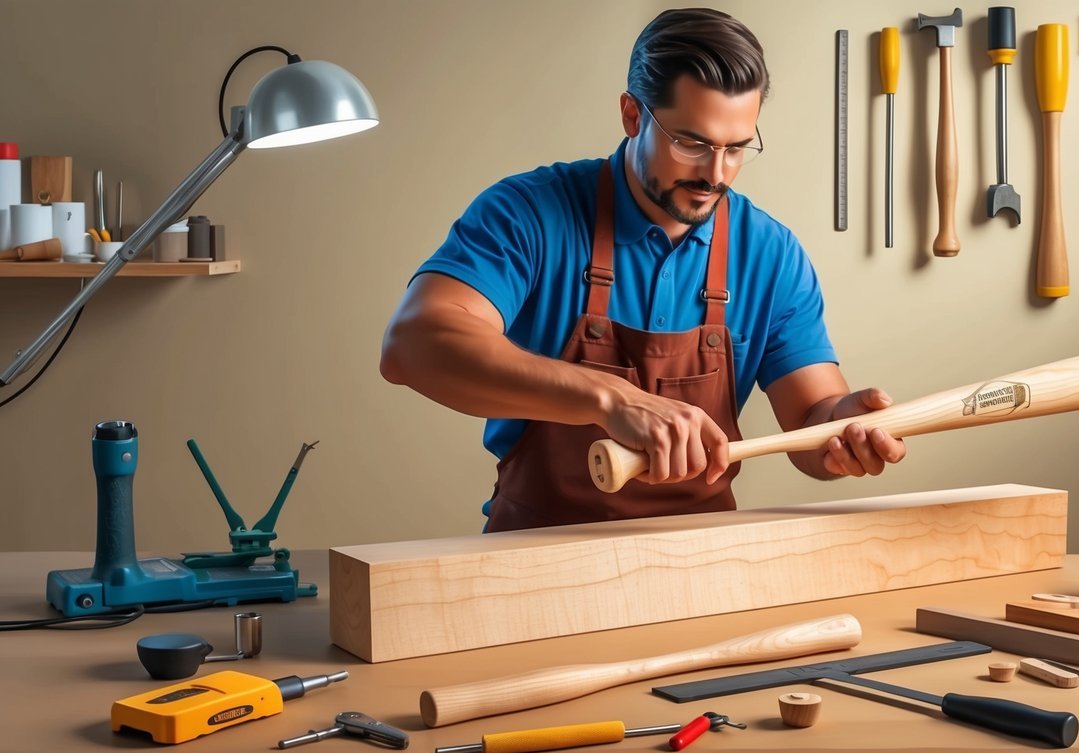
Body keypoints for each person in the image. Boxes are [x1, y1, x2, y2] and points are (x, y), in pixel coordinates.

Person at [380, 8, 906, 532]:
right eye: (692, 143)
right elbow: (414, 345)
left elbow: (811, 422)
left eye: (736, 148)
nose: (715, 174)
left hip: (705, 560)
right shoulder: (528, 212)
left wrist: (840, 432)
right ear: (633, 115)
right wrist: (610, 399)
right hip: (533, 555)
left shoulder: (769, 252)